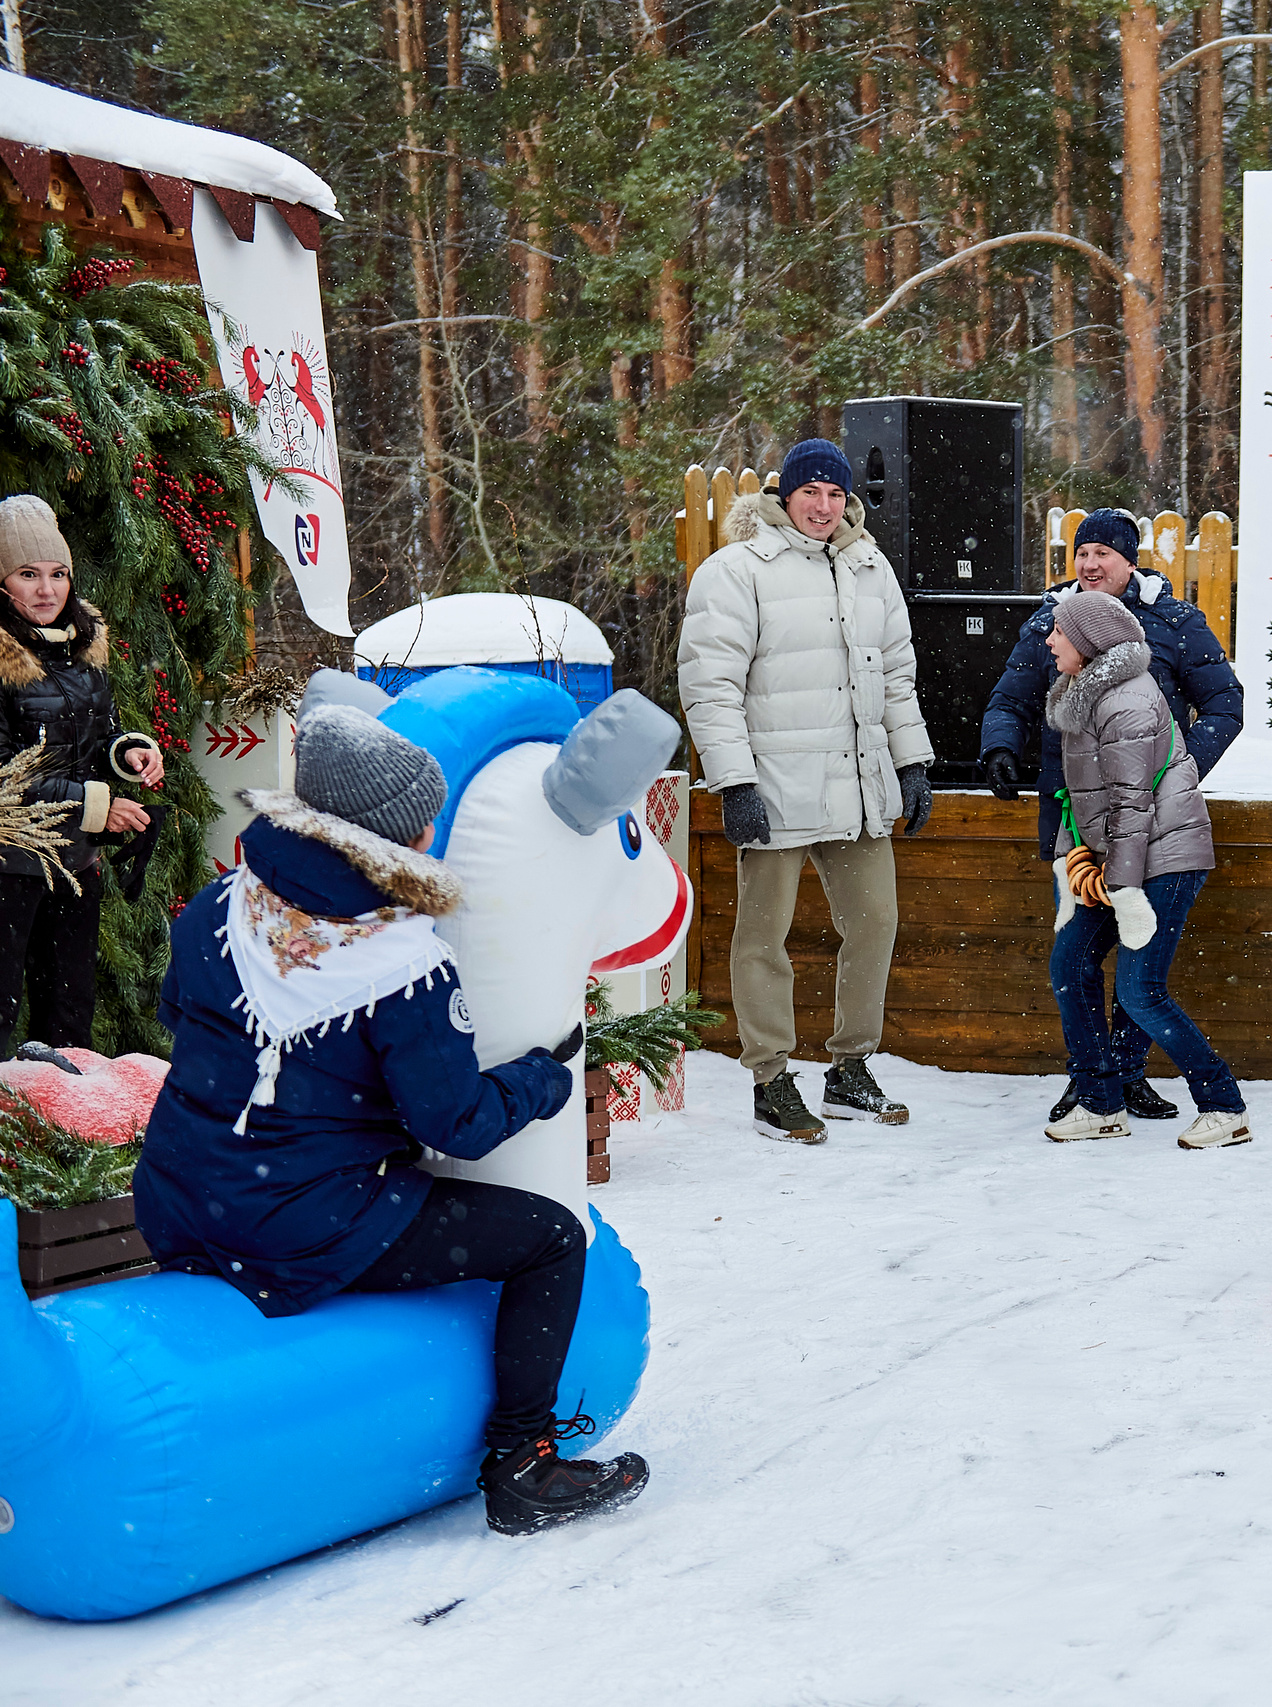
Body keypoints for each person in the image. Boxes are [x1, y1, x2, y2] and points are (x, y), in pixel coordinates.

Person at [132, 698, 648, 1534]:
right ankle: (523, 1461)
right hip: (300, 1223)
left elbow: (173, 1014)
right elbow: (459, 1124)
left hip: (178, 1199)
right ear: (394, 833)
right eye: (425, 819)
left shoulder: (222, 902)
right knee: (549, 1236)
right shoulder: (400, 963)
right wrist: (543, 1077)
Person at [680, 438, 934, 1143]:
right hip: (775, 784)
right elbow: (710, 685)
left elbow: (896, 677)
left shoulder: (869, 566)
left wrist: (911, 762)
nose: (823, 506)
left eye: (834, 494)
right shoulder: (736, 571)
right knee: (764, 935)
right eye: (810, 492)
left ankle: (851, 1068)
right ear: (783, 496)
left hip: (856, 783)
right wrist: (734, 781)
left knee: (876, 919)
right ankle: (769, 1078)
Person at [980, 509, 1244, 1125]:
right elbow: (1011, 697)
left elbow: (1224, 705)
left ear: (1130, 561)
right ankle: (1093, 1083)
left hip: (1142, 819)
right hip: (1077, 814)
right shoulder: (1053, 621)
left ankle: (1128, 1077)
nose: (1090, 565)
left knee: (1134, 960)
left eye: (1104, 553)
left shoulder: (1174, 625)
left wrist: (1170, 771)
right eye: (1082, 554)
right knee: (1080, 954)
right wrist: (1000, 746)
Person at [1039, 589, 1248, 1149]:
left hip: (1165, 860)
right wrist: (1073, 858)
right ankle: (1099, 1102)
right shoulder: (1084, 693)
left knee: (1139, 990)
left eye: (1060, 631)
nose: (1050, 639)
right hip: (1124, 859)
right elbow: (1079, 796)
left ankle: (1224, 1105)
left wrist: (1121, 884)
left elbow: (1133, 805)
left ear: (1087, 643)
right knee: (1071, 963)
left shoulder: (1125, 701)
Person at [0, 495, 165, 1047]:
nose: (47, 591)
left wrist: (131, 751)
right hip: (9, 865)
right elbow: (6, 770)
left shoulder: (83, 649)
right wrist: (98, 805)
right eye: (28, 575)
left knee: (70, 1010)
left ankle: (66, 1122)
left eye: (57, 574)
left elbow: (103, 732)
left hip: (76, 860)